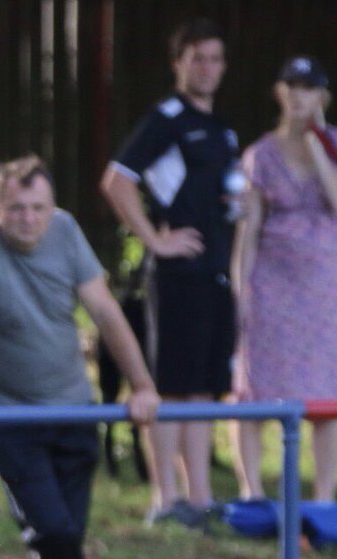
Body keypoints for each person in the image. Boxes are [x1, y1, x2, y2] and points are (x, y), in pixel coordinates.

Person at [0, 155, 160, 559]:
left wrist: (142, 385)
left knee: (60, 540)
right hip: (12, 420)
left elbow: (104, 311)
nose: (29, 218)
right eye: (17, 208)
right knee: (52, 531)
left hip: (76, 412)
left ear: (52, 207)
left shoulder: (66, 231)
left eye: (38, 207)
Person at [100, 18, 237, 529]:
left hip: (215, 274)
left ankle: (198, 500)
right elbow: (117, 181)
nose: (207, 68)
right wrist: (156, 239)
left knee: (202, 389)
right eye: (197, 57)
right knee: (171, 387)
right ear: (178, 63)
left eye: (215, 58)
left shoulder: (222, 129)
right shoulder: (168, 119)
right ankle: (165, 497)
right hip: (177, 277)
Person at [232, 57, 337, 502]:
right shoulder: (261, 154)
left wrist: (316, 141)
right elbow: (249, 226)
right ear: (280, 94)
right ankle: (252, 490)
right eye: (290, 87)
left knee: (326, 390)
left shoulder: (332, 145)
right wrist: (241, 287)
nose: (298, 96)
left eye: (308, 88)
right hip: (273, 284)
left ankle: (324, 496)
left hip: (324, 289)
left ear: (322, 98)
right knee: (254, 385)